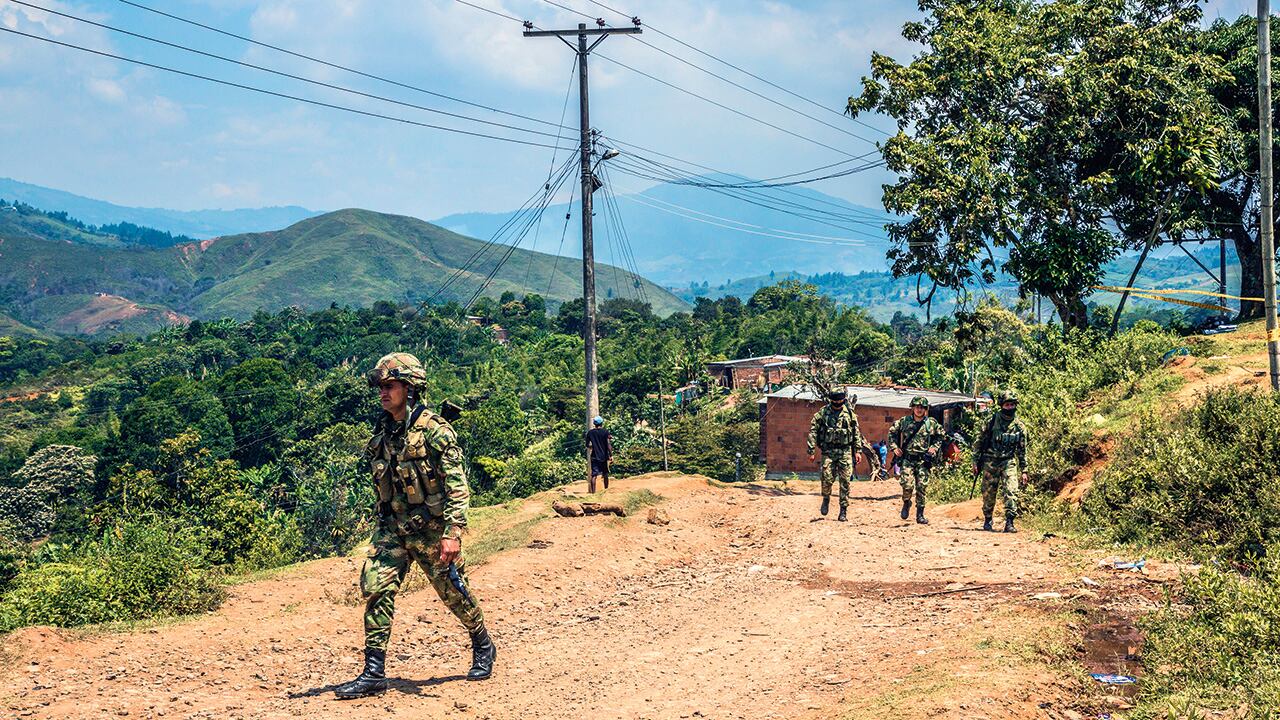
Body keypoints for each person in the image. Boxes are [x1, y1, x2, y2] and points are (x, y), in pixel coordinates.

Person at [335, 353, 495, 700]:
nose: (382, 392)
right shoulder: (384, 430)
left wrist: (453, 533)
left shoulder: (435, 430)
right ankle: (374, 672)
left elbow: (458, 487)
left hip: (431, 531)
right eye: (380, 386)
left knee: (453, 593)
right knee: (377, 588)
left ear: (409, 389)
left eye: (389, 386)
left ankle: (481, 639)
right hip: (392, 528)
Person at [807, 389, 878, 522]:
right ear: (832, 399)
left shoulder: (850, 413)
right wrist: (811, 450)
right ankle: (826, 498)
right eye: (836, 400)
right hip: (828, 451)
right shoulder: (823, 413)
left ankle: (843, 511)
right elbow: (813, 431)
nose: (839, 402)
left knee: (845, 481)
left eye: (841, 400)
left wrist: (858, 451)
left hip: (845, 451)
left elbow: (856, 433)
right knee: (827, 478)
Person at [973, 390, 1028, 533]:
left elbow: (1022, 451)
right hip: (990, 462)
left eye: (1012, 405)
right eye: (1007, 404)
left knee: (1011, 491)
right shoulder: (991, 421)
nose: (1010, 407)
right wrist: (975, 460)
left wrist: (1024, 470)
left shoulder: (1019, 427)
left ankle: (1009, 522)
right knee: (988, 493)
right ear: (1001, 405)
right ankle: (987, 519)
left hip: (1008, 461)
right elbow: (979, 442)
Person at [887, 397, 945, 525]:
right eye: (917, 407)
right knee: (907, 485)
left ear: (925, 409)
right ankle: (906, 502)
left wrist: (933, 448)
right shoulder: (904, 421)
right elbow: (891, 432)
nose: (919, 409)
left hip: (923, 460)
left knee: (921, 487)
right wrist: (895, 447)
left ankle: (920, 515)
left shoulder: (931, 423)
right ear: (912, 407)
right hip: (908, 459)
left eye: (922, 407)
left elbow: (941, 436)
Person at [586, 415, 612, 493]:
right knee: (605, 474)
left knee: (594, 475)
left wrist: (593, 446)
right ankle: (606, 490)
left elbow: (587, 445)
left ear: (594, 423)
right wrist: (611, 455)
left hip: (594, 456)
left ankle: (593, 493)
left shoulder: (590, 433)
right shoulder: (605, 432)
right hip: (604, 456)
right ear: (602, 423)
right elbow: (608, 445)